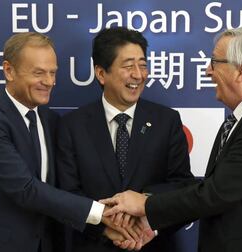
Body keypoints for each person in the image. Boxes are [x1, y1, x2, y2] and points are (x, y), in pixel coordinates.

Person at [101, 27, 242, 252]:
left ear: (241, 71)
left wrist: (146, 204)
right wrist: (152, 224)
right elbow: (222, 188)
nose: (208, 71)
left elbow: (215, 194)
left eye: (215, 62)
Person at [0, 32, 138, 252]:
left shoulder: (51, 120)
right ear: (8, 70)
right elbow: (25, 189)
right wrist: (101, 213)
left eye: (53, 73)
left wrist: (103, 227)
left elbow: (59, 190)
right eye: (39, 73)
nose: (49, 82)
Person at [56, 27, 194, 251]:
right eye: (129, 66)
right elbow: (67, 194)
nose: (138, 75)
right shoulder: (72, 126)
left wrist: (148, 219)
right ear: (101, 73)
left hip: (154, 245)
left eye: (143, 65)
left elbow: (182, 186)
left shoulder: (166, 121)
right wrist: (103, 226)